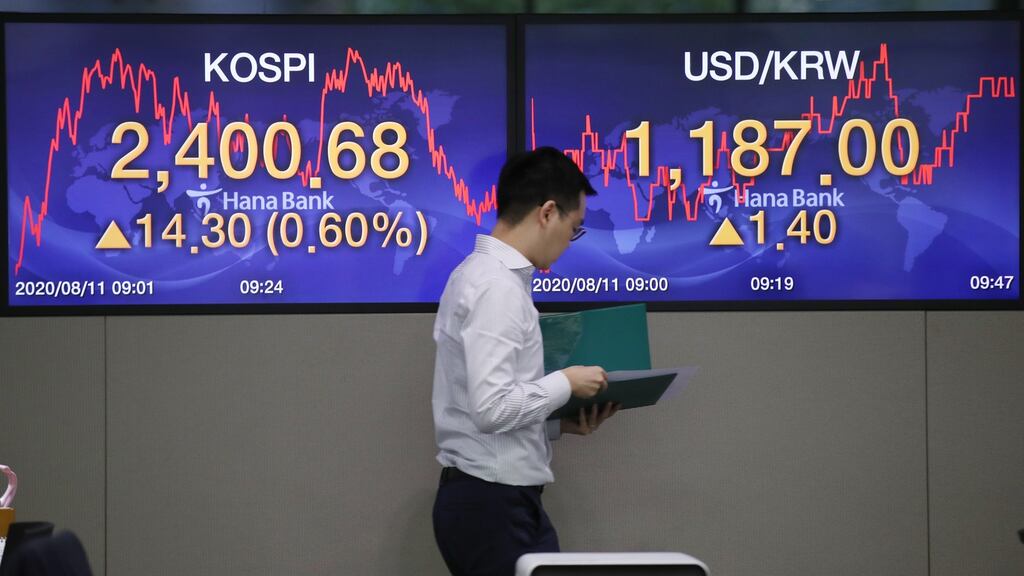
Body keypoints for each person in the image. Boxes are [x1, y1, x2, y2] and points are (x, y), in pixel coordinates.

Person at [431, 146, 620, 576]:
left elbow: (476, 409)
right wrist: (566, 383)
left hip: (499, 500)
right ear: (548, 213)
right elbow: (491, 409)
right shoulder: (496, 287)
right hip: (492, 506)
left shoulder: (480, 276)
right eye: (574, 229)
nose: (569, 244)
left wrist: (556, 424)